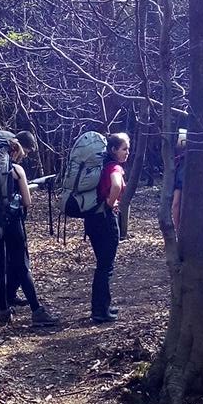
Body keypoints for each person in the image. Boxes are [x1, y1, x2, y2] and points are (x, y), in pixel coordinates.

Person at [0, 136, 59, 327]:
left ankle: (3, 311)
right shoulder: (16, 170)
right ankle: (37, 311)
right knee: (21, 265)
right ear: (14, 150)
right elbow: (27, 201)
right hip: (11, 222)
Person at [84, 132, 129, 324]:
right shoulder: (114, 167)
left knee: (102, 265)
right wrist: (111, 203)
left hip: (92, 219)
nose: (128, 152)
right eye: (124, 148)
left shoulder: (99, 166)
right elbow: (117, 185)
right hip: (105, 219)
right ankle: (101, 311)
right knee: (106, 266)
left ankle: (101, 306)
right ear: (113, 150)